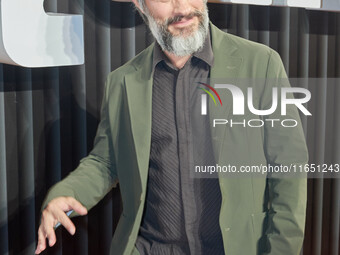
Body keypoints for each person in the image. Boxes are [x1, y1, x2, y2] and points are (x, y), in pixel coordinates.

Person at [35, 0, 309, 254]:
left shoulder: (260, 64)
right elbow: (106, 161)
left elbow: (288, 167)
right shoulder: (122, 81)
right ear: (140, 5)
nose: (182, 7)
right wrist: (67, 193)